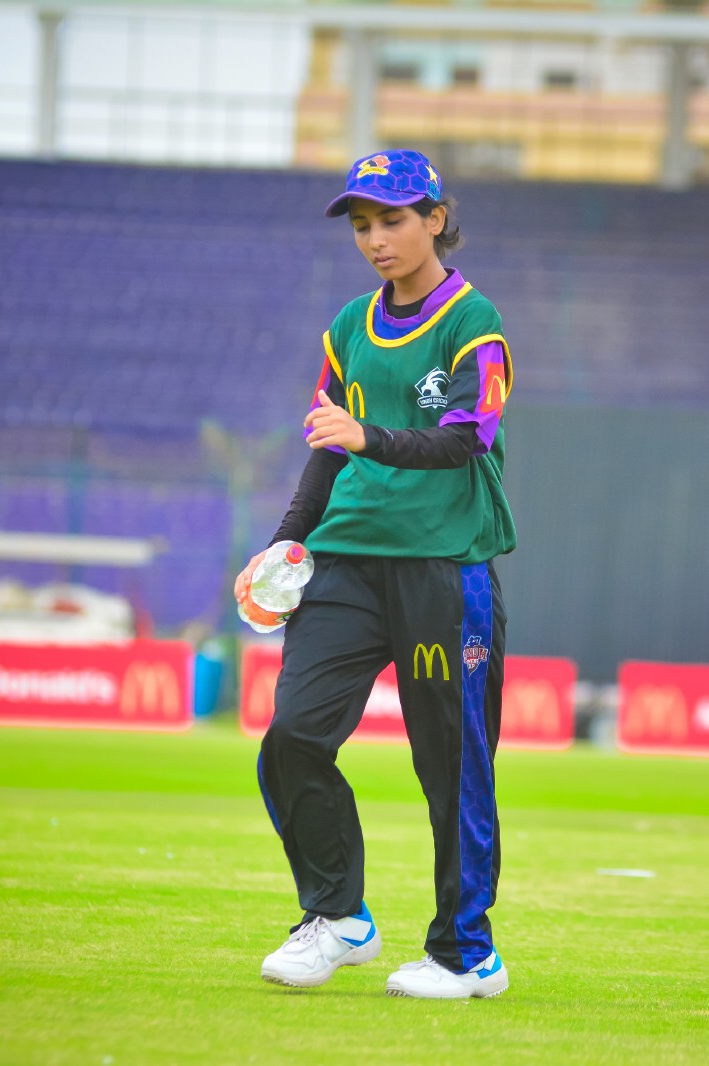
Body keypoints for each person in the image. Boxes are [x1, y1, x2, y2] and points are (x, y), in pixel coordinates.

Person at [233, 149, 516, 1000]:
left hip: (442, 570)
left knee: (451, 767)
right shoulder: (348, 326)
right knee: (292, 738)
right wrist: (283, 545)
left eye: (392, 219)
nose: (375, 239)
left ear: (435, 219)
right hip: (346, 565)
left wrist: (370, 438)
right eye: (361, 225)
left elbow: (467, 438)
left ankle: (466, 954)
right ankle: (337, 917)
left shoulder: (474, 322)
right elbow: (327, 446)